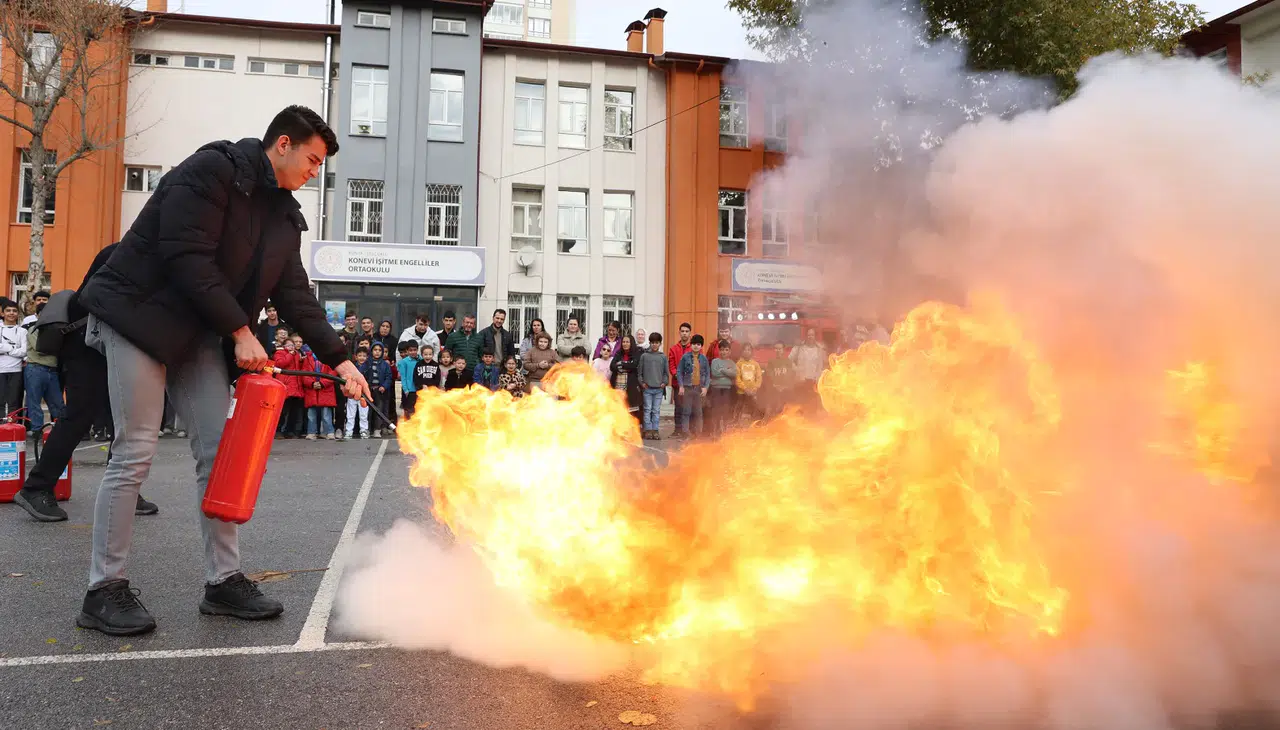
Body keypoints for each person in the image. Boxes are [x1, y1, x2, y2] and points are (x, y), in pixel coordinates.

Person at [74, 105, 371, 637]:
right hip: (138, 315)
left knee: (219, 453)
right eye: (312, 158)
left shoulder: (283, 217)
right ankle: (104, 589)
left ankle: (223, 581)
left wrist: (343, 360)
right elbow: (186, 256)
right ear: (283, 144)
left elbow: (297, 298)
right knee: (136, 449)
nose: (314, 171)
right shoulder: (212, 171)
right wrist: (240, 332)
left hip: (197, 333)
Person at [12, 244, 158, 522]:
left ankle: (123, 489)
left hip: (108, 343)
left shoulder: (142, 252)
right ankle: (36, 487)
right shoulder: (125, 252)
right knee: (78, 417)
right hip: (87, 343)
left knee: (124, 419)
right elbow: (99, 298)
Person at [24, 303, 64, 435]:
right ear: (37, 315)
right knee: (34, 402)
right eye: (42, 313)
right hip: (36, 369)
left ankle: (62, 429)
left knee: (57, 403)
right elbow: (40, 348)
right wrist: (57, 348)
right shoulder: (33, 329)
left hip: (52, 370)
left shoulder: (57, 329)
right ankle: (37, 431)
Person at [300, 343, 338, 440]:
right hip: (312, 390)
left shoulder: (329, 358)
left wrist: (322, 383)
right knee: (311, 414)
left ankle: (329, 431)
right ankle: (311, 432)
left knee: (326, 414)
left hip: (326, 390)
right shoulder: (307, 358)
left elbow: (333, 373)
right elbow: (304, 374)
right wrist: (312, 383)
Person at [677, 335, 710, 438]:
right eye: (694, 344)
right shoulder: (685, 357)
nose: (696, 346)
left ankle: (698, 432)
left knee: (698, 412)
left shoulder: (704, 359)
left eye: (698, 344)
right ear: (690, 345)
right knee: (686, 411)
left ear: (701, 346)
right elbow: (679, 371)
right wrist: (681, 385)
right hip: (687, 388)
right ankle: (685, 432)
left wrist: (705, 387)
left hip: (698, 389)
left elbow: (708, 374)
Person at [271, 336, 305, 439]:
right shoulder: (279, 353)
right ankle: (278, 430)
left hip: (296, 386)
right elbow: (281, 363)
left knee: (293, 411)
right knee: (283, 410)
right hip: (286, 385)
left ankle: (289, 431)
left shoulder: (297, 354)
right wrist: (290, 355)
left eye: (292, 345)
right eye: (289, 345)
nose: (291, 347)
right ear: (284, 346)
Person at [638, 332, 668, 441]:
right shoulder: (644, 356)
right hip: (647, 389)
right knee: (647, 409)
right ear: (649, 343)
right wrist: (642, 383)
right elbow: (639, 373)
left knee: (656, 410)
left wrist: (664, 382)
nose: (655, 345)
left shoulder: (663, 357)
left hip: (659, 389)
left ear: (660, 343)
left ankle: (655, 430)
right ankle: (648, 430)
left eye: (657, 343)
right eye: (653, 343)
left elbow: (666, 372)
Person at [0, 300, 27, 419]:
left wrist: (5, 348)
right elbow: (19, 350)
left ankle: (13, 429)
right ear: (2, 313)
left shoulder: (22, 331)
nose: (11, 313)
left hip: (16, 370)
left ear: (18, 314)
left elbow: (24, 351)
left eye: (14, 311)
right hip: (0, 370)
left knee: (14, 403)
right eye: (8, 310)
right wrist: (14, 348)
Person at [666, 323, 693, 439]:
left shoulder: (694, 348)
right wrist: (676, 374)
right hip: (677, 384)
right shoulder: (673, 349)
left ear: (690, 333)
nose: (684, 333)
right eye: (682, 331)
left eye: (687, 331)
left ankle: (687, 430)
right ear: (679, 332)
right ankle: (677, 430)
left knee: (688, 407)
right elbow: (671, 365)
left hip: (690, 384)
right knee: (678, 407)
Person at [610, 334, 642, 425]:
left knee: (631, 410)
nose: (625, 344)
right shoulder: (618, 353)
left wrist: (621, 364)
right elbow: (612, 366)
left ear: (631, 343)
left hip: (631, 385)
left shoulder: (636, 353)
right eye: (623, 342)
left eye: (627, 342)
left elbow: (634, 365)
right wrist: (625, 365)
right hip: (618, 385)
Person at [709, 339, 738, 437]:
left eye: (726, 350)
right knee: (716, 409)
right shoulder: (715, 361)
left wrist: (722, 370)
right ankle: (716, 430)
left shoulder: (732, 363)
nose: (723, 352)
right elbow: (714, 373)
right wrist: (727, 372)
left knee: (725, 410)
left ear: (729, 351)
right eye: (721, 350)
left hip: (727, 389)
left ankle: (724, 431)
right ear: (719, 351)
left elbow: (734, 374)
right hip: (716, 389)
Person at [366, 342, 393, 437]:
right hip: (368, 390)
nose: (377, 352)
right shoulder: (367, 363)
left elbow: (389, 377)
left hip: (380, 390)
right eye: (375, 350)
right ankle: (367, 429)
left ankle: (377, 429)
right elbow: (362, 374)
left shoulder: (385, 364)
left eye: (379, 350)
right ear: (371, 351)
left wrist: (384, 386)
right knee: (368, 411)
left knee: (379, 410)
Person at [347, 348, 373, 439]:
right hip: (352, 394)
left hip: (363, 395)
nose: (362, 358)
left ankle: (364, 430)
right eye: (360, 355)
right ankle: (349, 431)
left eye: (364, 356)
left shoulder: (369, 368)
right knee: (350, 414)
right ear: (356, 357)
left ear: (367, 357)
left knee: (363, 414)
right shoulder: (352, 367)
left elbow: (369, 380)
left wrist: (364, 389)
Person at [735, 343, 764, 421]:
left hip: (753, 392)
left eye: (749, 350)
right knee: (739, 409)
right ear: (741, 351)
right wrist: (745, 389)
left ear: (751, 352)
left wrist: (755, 389)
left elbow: (759, 378)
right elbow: (737, 379)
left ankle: (756, 424)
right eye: (744, 349)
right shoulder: (738, 364)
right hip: (741, 393)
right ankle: (736, 424)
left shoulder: (755, 364)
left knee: (756, 408)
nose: (746, 351)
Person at [397, 340, 421, 418]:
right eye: (410, 350)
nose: (413, 352)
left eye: (414, 350)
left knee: (418, 409)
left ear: (417, 350)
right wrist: (406, 390)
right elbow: (403, 377)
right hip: (409, 389)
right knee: (409, 410)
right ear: (407, 351)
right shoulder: (403, 362)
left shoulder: (421, 359)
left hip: (419, 388)